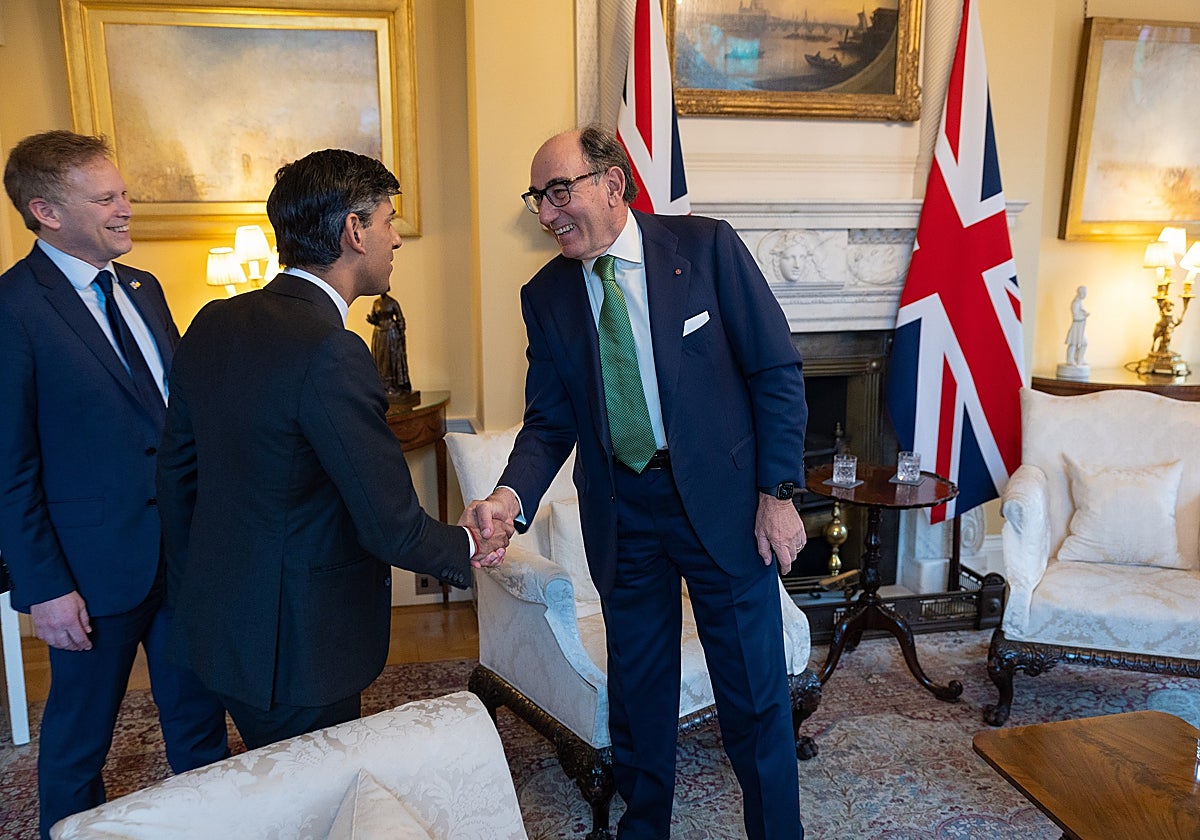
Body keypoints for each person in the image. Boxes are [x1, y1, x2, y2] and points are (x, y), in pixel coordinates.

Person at [462, 126, 808, 840]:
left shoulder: (706, 249)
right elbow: (549, 424)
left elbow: (775, 371)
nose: (549, 212)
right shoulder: (548, 295)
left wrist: (777, 493)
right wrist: (507, 497)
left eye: (561, 191)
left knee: (754, 697)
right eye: (538, 199)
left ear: (612, 185)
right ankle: (644, 828)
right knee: (638, 696)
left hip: (726, 504)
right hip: (626, 509)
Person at [156, 148, 509, 750]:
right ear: (354, 230)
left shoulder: (212, 321)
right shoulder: (332, 352)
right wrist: (473, 543)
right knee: (318, 801)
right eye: (388, 221)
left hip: (219, 627)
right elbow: (390, 526)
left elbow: (176, 478)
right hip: (299, 648)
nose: (395, 240)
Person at [0, 130, 228, 838]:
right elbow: (9, 466)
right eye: (108, 198)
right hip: (89, 575)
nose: (127, 208)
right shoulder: (12, 309)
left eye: (124, 192)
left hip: (180, 556)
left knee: (198, 720)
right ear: (46, 211)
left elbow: (175, 418)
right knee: (77, 741)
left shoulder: (144, 287)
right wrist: (44, 587)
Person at [365, 289, 412, 395]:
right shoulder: (376, 303)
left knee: (390, 358)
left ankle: (393, 385)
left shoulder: (392, 302)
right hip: (379, 334)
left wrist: (401, 332)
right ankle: (383, 385)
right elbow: (375, 317)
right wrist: (371, 320)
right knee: (380, 359)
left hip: (391, 333)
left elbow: (400, 318)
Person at [1064, 285, 1089, 366]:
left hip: (1081, 326)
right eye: (1084, 293)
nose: (1085, 294)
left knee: (1084, 342)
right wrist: (1084, 315)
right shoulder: (1076, 302)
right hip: (1077, 325)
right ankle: (1070, 359)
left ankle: (1079, 358)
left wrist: (1085, 314)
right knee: (1073, 343)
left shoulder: (1080, 302)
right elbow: (1075, 315)